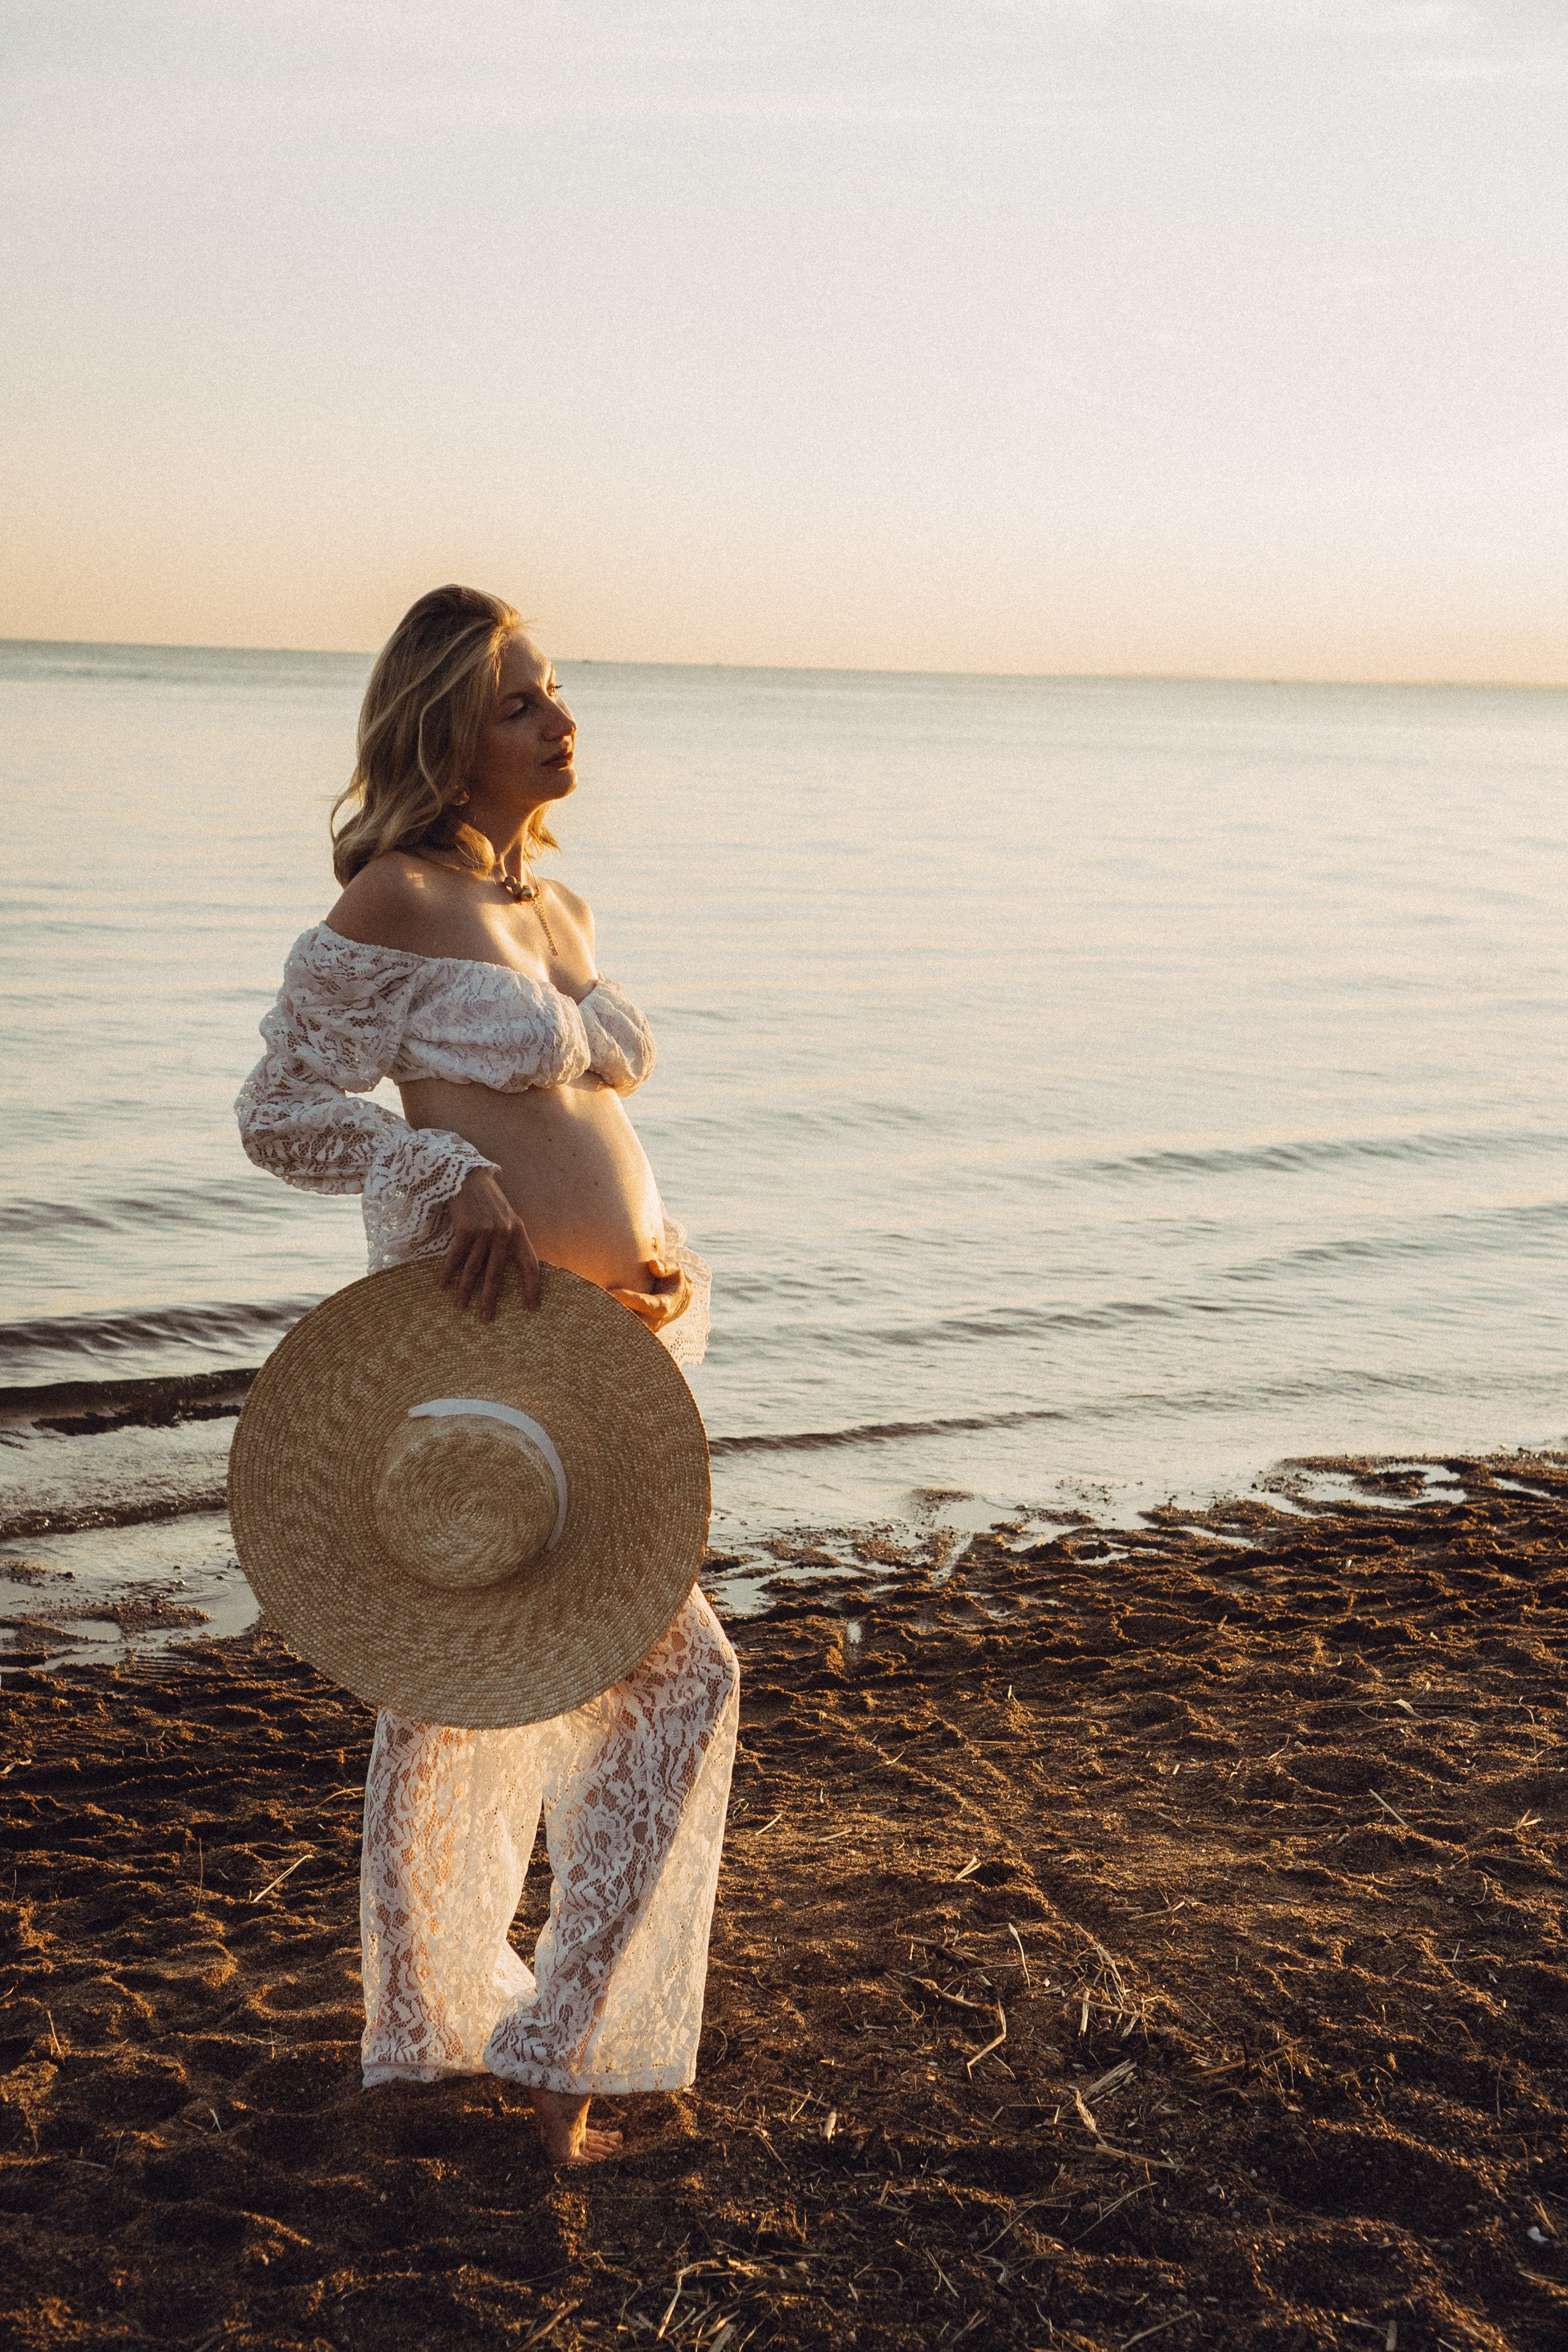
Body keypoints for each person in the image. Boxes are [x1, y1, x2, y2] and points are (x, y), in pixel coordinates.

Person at [235, 584, 739, 2164]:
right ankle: (547, 2054)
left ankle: (451, 2037)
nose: (558, 718)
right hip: (482, 1350)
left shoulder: (561, 918)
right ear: (450, 731)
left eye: (556, 691)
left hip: (604, 1354)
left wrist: (656, 1251)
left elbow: (585, 1130)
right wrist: (436, 1171)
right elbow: (280, 1110)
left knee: (472, 1697)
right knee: (579, 1685)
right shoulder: (396, 896)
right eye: (523, 701)